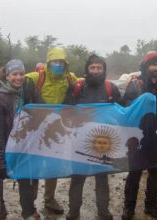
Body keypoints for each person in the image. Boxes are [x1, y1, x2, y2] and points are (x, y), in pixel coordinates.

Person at [0, 59, 43, 220]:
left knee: (27, 178)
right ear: (7, 76)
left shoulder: (28, 89)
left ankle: (28, 212)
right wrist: (1, 162)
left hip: (21, 145)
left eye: (21, 74)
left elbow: (43, 110)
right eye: (14, 74)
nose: (18, 77)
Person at [63, 54, 121, 220]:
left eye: (99, 68)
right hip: (79, 141)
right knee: (77, 178)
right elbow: (65, 113)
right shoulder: (76, 87)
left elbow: (120, 112)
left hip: (103, 142)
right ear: (87, 69)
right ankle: (73, 212)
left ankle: (103, 210)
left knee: (102, 177)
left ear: (104, 70)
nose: (95, 71)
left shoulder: (111, 88)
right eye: (92, 67)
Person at [26, 47, 79, 214]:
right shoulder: (37, 77)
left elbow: (86, 81)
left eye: (61, 62)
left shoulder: (70, 78)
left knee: (52, 165)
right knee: (33, 166)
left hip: (56, 130)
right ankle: (30, 203)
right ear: (48, 63)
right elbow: (16, 78)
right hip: (36, 130)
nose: (58, 65)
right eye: (54, 62)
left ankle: (49, 200)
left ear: (65, 64)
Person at [122, 51, 157, 220]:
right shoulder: (135, 85)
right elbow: (127, 111)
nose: (156, 68)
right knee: (134, 173)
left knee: (156, 173)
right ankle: (129, 208)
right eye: (153, 64)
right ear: (145, 66)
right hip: (138, 136)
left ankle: (151, 206)